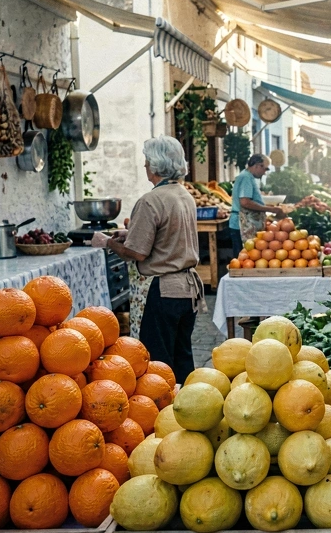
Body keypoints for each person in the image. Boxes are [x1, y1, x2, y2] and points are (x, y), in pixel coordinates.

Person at [91, 136, 203, 382]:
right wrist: (130, 234)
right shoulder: (183, 195)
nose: (144, 166)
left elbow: (137, 253)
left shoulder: (150, 200)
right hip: (187, 290)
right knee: (182, 355)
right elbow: (169, 235)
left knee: (158, 361)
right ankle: (190, 404)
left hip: (162, 291)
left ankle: (164, 411)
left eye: (146, 161)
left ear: (155, 164)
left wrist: (107, 242)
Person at [229, 153, 285, 255]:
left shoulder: (247, 176)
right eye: (265, 169)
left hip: (243, 224)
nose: (264, 173)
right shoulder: (246, 178)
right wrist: (271, 209)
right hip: (241, 225)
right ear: (257, 165)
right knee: (243, 260)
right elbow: (245, 202)